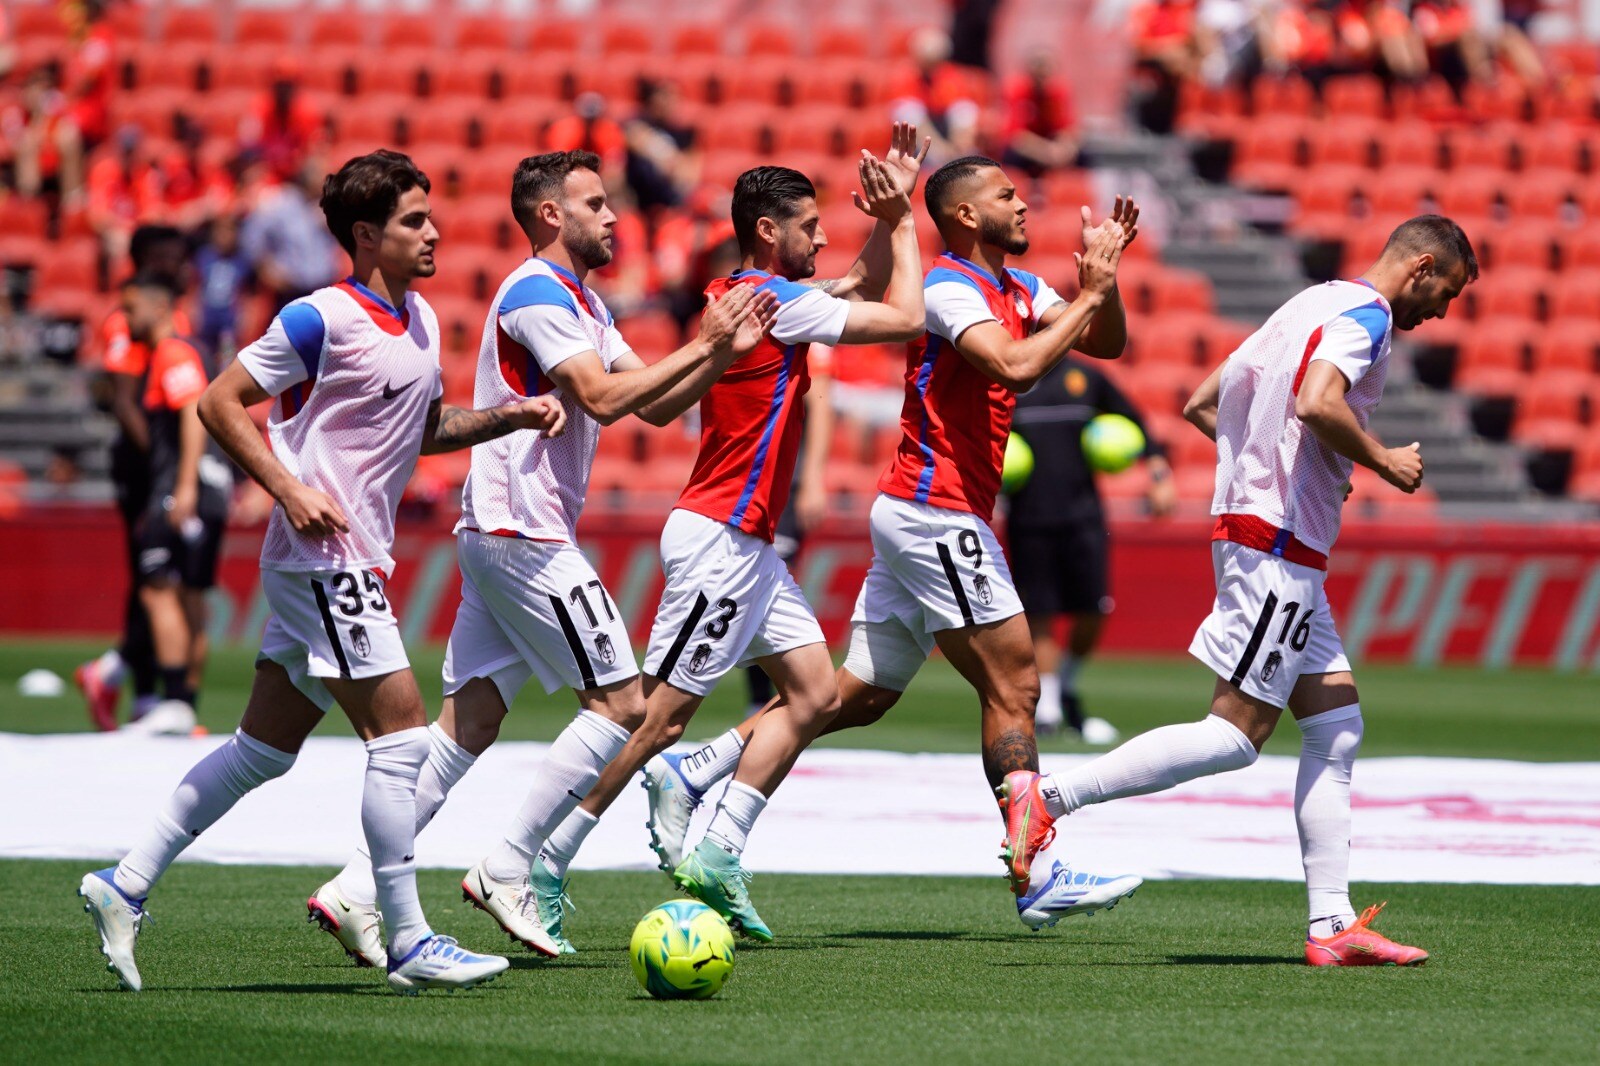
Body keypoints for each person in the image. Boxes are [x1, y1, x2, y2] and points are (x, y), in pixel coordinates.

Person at [78, 150, 568, 995]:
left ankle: (122, 885)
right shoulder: (318, 318)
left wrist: (508, 417)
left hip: (340, 559)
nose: (434, 232)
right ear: (367, 234)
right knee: (405, 737)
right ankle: (408, 938)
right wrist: (289, 487)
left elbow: (420, 429)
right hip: (322, 557)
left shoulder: (419, 322)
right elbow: (220, 401)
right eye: (415, 220)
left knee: (261, 751)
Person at [646, 158, 1145, 934]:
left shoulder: (1021, 289)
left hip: (929, 512)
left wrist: (1099, 288)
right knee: (1014, 682)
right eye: (1007, 195)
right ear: (968, 216)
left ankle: (699, 766)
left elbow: (1107, 346)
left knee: (858, 696)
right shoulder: (950, 287)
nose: (1024, 205)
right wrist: (1083, 299)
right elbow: (1015, 366)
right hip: (934, 510)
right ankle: (1037, 870)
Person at [305, 149, 776, 966]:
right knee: (623, 704)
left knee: (470, 725)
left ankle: (354, 887)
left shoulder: (582, 302)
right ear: (551, 215)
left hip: (504, 528)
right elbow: (598, 395)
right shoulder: (534, 293)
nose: (613, 217)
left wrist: (718, 351)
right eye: (595, 203)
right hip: (524, 531)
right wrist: (706, 346)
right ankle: (510, 865)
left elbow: (658, 405)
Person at [1035, 215, 1475, 966]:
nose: (1441, 312)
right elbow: (1316, 401)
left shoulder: (1311, 302)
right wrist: (1381, 462)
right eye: (1449, 293)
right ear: (1424, 266)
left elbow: (1205, 401)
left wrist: (1268, 471)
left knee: (1336, 729)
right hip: (1277, 546)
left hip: (1271, 535)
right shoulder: (1365, 316)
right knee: (1235, 736)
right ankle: (1044, 802)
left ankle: (1332, 928)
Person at [535, 126, 931, 945]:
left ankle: (717, 845)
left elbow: (858, 280)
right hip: (720, 537)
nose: (822, 237)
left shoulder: (762, 296)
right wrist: (901, 220)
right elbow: (904, 316)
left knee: (816, 694)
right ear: (766, 231)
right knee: (653, 719)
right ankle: (543, 857)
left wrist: (889, 214)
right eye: (809, 225)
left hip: (744, 544)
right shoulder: (777, 305)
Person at [1008, 353, 1176, 743]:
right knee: (1041, 611)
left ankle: (1065, 686)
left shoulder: (1086, 377)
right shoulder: (1010, 376)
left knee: (1094, 609)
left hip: (1084, 516)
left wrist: (1158, 471)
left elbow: (1135, 420)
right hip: (1028, 517)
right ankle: (1047, 707)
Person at [75, 227, 193, 731]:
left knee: (161, 574)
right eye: (162, 253)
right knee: (152, 573)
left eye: (176, 253)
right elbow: (124, 401)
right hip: (143, 464)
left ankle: (126, 677)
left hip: (163, 462)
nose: (172, 261)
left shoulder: (172, 311)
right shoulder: (128, 318)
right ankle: (141, 686)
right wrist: (162, 463)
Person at [113, 273, 230, 738]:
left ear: (159, 309)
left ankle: (177, 701)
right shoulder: (193, 350)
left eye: (131, 308)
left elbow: (191, 412)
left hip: (184, 488)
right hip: (209, 489)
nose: (125, 320)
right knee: (190, 596)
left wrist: (182, 486)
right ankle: (184, 706)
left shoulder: (172, 353)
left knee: (156, 588)